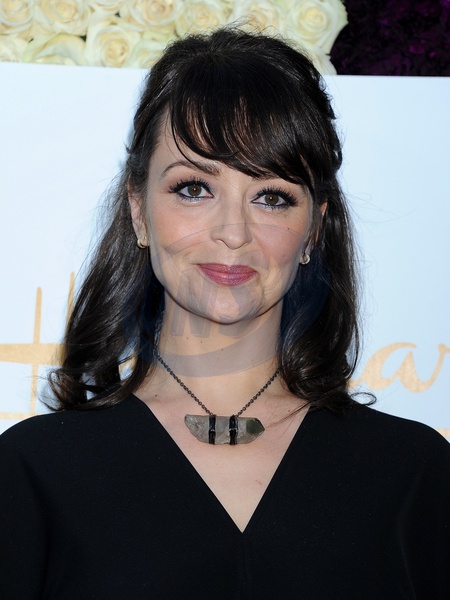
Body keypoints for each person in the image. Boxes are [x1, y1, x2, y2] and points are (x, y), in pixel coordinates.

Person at [1, 27, 449, 600]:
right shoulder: (34, 472)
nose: (233, 233)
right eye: (194, 188)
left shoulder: (415, 475)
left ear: (313, 230)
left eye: (272, 196)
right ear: (138, 210)